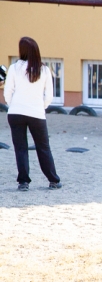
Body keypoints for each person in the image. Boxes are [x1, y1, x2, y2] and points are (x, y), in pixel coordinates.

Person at [3, 37, 61, 191]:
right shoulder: (44, 70)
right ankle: (53, 180)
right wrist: (40, 107)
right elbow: (49, 96)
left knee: (20, 148)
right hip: (36, 114)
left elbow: (7, 92)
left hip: (15, 113)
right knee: (43, 147)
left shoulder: (14, 68)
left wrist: (13, 105)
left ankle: (23, 182)